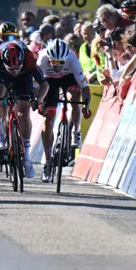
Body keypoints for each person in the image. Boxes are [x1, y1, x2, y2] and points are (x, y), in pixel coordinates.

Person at [0, 40, 48, 179]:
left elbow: (44, 85)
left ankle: (27, 159)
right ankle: (0, 136)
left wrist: (38, 100)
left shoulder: (28, 58)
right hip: (2, 75)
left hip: (24, 77)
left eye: (16, 68)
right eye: (11, 68)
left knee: (24, 111)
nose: (14, 71)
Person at [35, 38, 92, 182]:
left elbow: (85, 88)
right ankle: (48, 162)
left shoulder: (72, 59)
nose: (57, 66)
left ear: (66, 58)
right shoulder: (41, 60)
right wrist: (36, 101)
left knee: (75, 96)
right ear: (49, 58)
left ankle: (75, 131)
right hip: (48, 82)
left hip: (69, 78)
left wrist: (86, 106)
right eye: (54, 62)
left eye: (61, 62)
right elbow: (35, 86)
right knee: (48, 119)